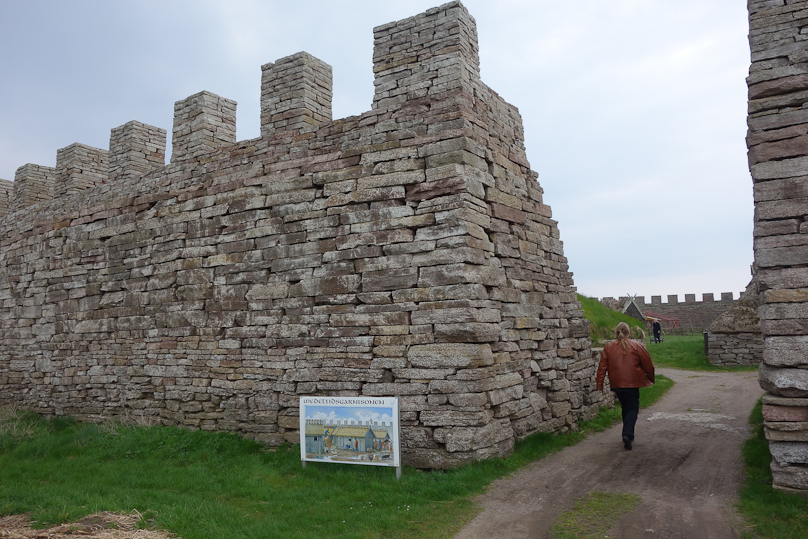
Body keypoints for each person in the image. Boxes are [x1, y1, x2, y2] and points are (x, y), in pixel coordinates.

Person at [596, 322, 655, 450]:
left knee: (625, 407)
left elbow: (602, 368)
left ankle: (629, 434)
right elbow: (648, 365)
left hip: (616, 383)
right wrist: (651, 378)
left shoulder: (608, 347)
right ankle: (627, 434)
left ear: (616, 333)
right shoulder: (637, 346)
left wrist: (599, 384)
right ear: (629, 333)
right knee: (633, 409)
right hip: (632, 383)